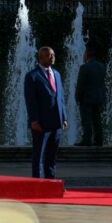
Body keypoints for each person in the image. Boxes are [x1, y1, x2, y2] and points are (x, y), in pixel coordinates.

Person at [24, 46, 68, 179]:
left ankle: (51, 181)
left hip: (56, 122)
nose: (52, 57)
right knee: (39, 155)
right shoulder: (32, 76)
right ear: (41, 57)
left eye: (53, 55)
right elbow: (30, 101)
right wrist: (34, 120)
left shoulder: (57, 74)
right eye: (49, 55)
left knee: (52, 155)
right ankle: (36, 183)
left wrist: (64, 117)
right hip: (41, 123)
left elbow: (60, 97)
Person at [75, 46, 106, 146]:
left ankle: (87, 140)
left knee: (86, 120)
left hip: (86, 99)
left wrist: (77, 97)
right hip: (98, 98)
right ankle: (99, 140)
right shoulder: (101, 66)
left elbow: (80, 85)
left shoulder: (84, 67)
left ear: (86, 55)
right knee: (97, 120)